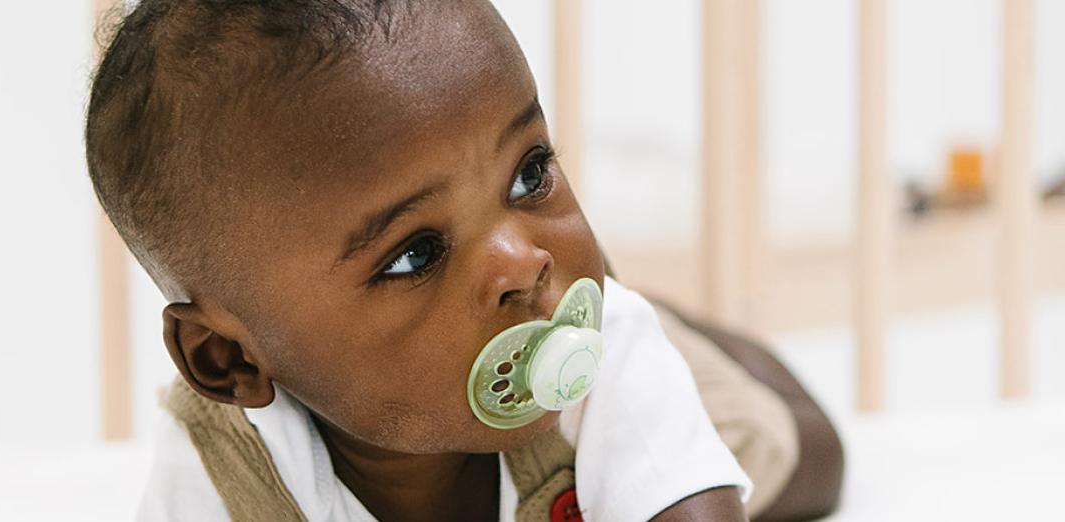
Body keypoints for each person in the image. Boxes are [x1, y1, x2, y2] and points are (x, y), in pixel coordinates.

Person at [85, 1, 841, 520]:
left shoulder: (610, 362)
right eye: (416, 253)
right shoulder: (220, 473)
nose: (522, 260)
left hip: (600, 365)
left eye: (529, 173)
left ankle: (682, 331)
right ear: (228, 360)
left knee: (809, 460)